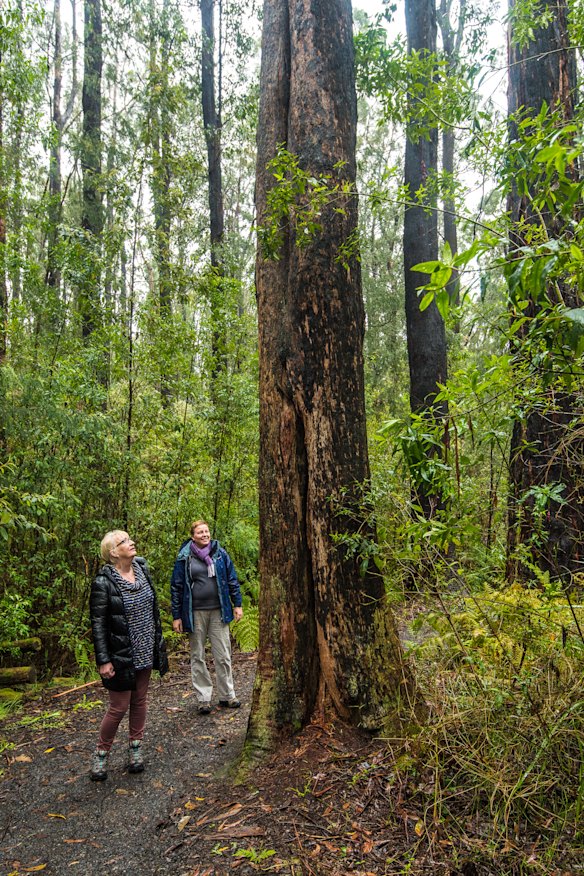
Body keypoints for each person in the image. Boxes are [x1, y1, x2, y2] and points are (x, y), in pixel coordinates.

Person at [89, 531, 168, 781]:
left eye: (129, 539)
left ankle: (135, 748)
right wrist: (104, 660)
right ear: (113, 552)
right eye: (123, 541)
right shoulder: (103, 582)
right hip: (120, 652)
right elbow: (98, 624)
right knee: (118, 707)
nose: (131, 542)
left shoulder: (142, 568)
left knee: (140, 700)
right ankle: (101, 753)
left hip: (145, 646)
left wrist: (157, 641)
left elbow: (152, 607)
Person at [170, 520, 243, 714]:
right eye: (200, 532)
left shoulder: (220, 554)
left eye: (207, 531)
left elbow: (232, 579)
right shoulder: (185, 557)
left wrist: (237, 604)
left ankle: (228, 695)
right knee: (198, 655)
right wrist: (177, 616)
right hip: (194, 613)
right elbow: (177, 587)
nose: (204, 534)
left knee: (223, 655)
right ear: (192, 536)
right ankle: (203, 698)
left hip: (219, 610)